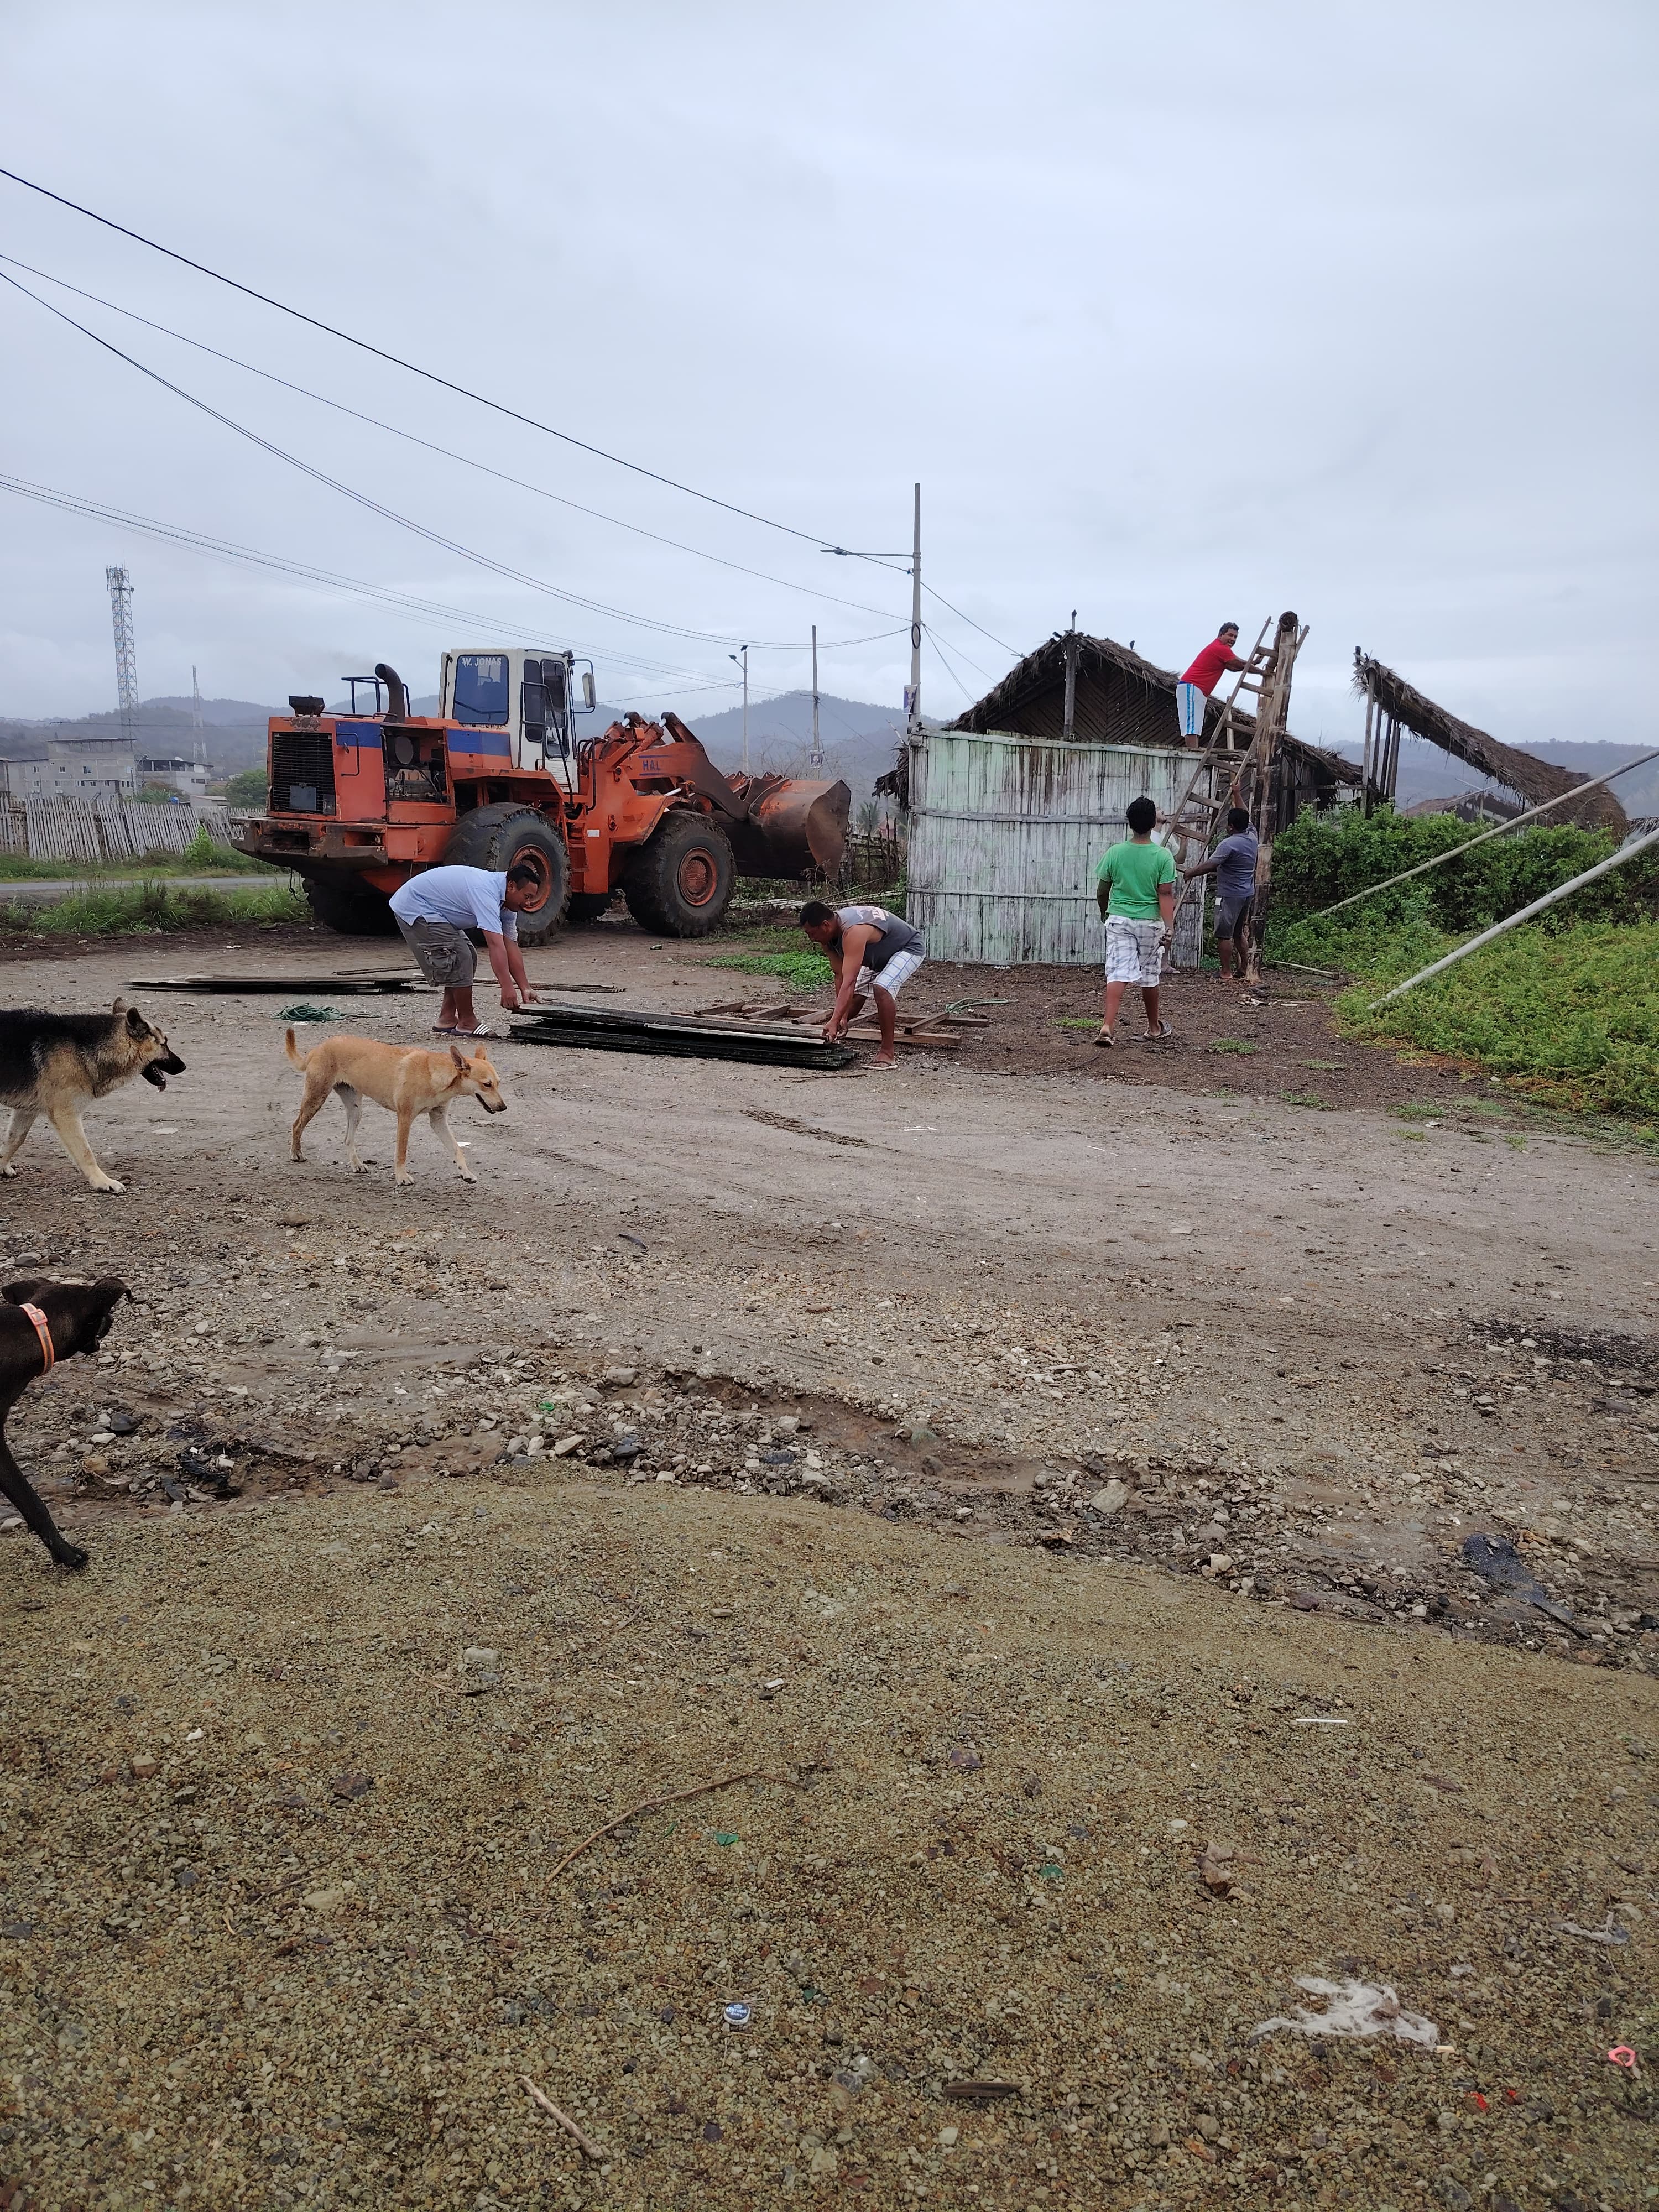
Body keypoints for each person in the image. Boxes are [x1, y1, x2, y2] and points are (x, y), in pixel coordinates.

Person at [388, 862, 542, 1037]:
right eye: (527, 896)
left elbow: (510, 945)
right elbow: (495, 944)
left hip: (436, 911)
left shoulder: (508, 904)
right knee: (461, 957)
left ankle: (446, 1018)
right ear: (512, 886)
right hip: (415, 906)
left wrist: (525, 987)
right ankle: (467, 1022)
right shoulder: (485, 892)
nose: (528, 903)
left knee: (468, 955)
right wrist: (507, 987)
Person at [799, 899, 925, 1071]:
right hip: (878, 956)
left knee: (881, 988)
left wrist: (834, 1020)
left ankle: (887, 1054)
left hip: (907, 948)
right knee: (854, 999)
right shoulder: (827, 938)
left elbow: (849, 982)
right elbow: (841, 976)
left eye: (812, 933)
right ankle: (835, 1032)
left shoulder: (853, 931)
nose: (812, 939)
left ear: (825, 925)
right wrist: (841, 1017)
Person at [1094, 794, 1176, 1047]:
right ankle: (1154, 1028)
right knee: (1150, 975)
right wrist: (1169, 926)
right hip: (1150, 923)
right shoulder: (1163, 856)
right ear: (1153, 824)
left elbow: (1102, 891)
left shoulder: (1115, 853)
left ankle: (1108, 1026)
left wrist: (1105, 912)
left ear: (1129, 823)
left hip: (1119, 919)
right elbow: (1165, 894)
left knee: (1118, 972)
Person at [1181, 804, 1260, 981]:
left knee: (1223, 934)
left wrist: (1190, 872)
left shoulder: (1228, 844)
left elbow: (1211, 865)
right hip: (1246, 893)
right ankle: (1244, 967)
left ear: (1231, 827)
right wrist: (1237, 793)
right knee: (1238, 933)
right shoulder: (1252, 836)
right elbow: (1245, 813)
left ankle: (1226, 972)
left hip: (1227, 896)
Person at [1176, 622, 1251, 747]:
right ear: (1221, 635)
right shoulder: (1220, 648)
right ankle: (1193, 753)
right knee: (1192, 726)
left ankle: (1194, 752)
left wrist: (1252, 663)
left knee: (1195, 725)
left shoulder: (1222, 650)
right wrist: (1261, 671)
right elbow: (1240, 664)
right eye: (1230, 635)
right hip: (1192, 686)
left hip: (1197, 690)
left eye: (1235, 637)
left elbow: (1234, 667)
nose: (1233, 639)